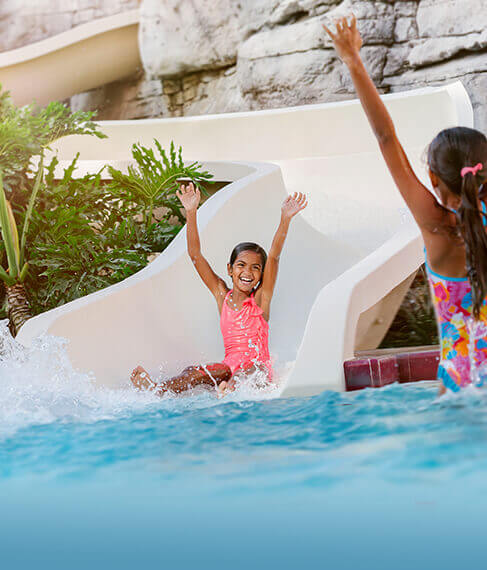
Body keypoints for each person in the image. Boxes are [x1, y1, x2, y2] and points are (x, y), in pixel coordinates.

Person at [324, 15, 487, 394]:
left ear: (432, 179)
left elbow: (385, 138)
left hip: (460, 388)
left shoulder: (435, 225)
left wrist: (353, 60)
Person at [131, 182, 307, 396]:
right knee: (196, 372)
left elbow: (274, 256)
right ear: (230, 269)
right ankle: (158, 390)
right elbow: (195, 255)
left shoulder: (261, 299)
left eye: (255, 268)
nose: (248, 272)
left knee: (253, 370)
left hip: (256, 370)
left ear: (261, 275)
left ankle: (229, 390)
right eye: (241, 265)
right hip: (228, 369)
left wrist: (285, 218)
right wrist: (191, 211)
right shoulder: (221, 295)